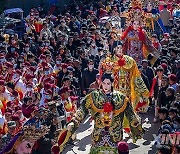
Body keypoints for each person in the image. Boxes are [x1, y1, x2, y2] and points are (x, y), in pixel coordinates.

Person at [52, 73, 144, 154]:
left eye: (108, 83)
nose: (106, 86)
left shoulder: (121, 98)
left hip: (115, 136)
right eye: (104, 83)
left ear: (112, 83)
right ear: (101, 83)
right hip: (98, 136)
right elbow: (83, 109)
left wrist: (134, 121)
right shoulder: (94, 96)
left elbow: (130, 113)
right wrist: (75, 120)